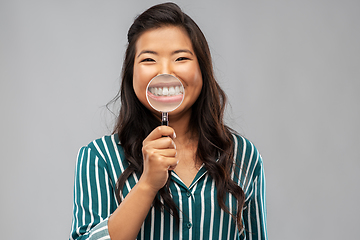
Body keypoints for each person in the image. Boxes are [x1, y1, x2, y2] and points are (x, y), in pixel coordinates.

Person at [69, 2, 267, 240]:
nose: (165, 72)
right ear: (131, 74)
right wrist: (147, 184)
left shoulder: (243, 155)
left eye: (181, 58)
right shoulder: (99, 157)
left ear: (202, 70)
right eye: (149, 60)